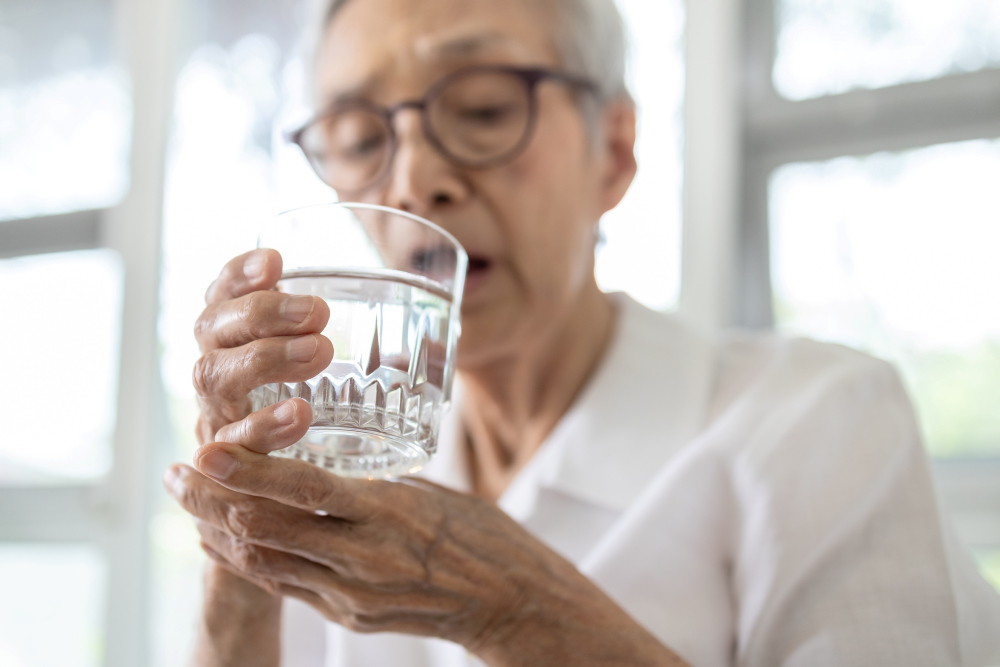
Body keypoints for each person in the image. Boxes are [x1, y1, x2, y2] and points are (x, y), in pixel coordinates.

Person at [163, 0, 1000, 665]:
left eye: (485, 109)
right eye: (357, 138)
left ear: (615, 150)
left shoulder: (821, 420)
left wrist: (520, 612)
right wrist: (239, 558)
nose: (415, 178)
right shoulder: (341, 459)